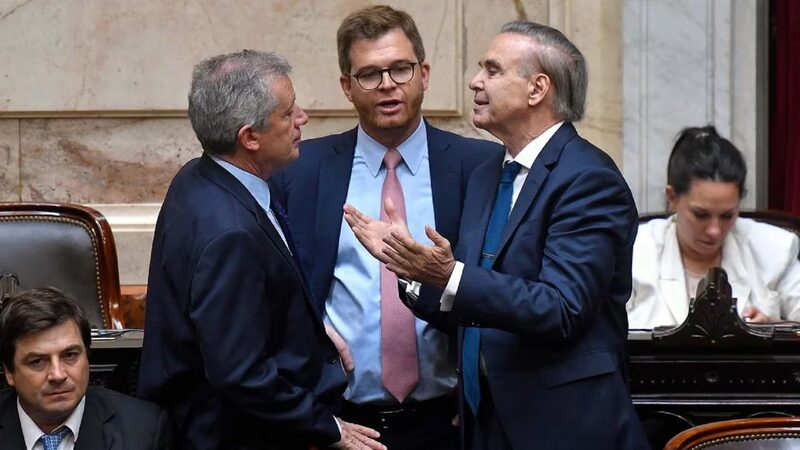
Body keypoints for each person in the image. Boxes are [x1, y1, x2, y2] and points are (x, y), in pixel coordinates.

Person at [344, 21, 649, 449]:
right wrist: (411, 268)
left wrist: (449, 275)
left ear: (537, 88)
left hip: (563, 428)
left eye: (492, 70)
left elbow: (562, 308)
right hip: (483, 422)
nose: (474, 81)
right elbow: (474, 301)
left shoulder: (588, 179)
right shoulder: (489, 173)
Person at [270, 5, 501, 450]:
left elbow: (501, 286)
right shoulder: (301, 172)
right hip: (340, 424)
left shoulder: (479, 168)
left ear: (424, 74)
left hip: (448, 422)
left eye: (400, 69)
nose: (388, 85)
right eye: (370, 74)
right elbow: (273, 287)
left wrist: (479, 389)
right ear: (347, 87)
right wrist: (312, 331)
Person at [136, 50, 384, 450]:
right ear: (249, 137)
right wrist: (327, 427)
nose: (302, 119)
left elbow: (239, 311)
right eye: (288, 114)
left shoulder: (199, 176)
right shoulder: (230, 233)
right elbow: (240, 373)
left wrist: (309, 332)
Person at [627, 126, 800, 329]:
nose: (715, 231)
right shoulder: (634, 251)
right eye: (701, 215)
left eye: (727, 215)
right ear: (672, 197)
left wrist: (776, 326)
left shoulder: (775, 249)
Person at [0, 287, 171, 449]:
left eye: (70, 355)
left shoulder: (143, 431)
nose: (58, 375)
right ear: (9, 372)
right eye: (37, 361)